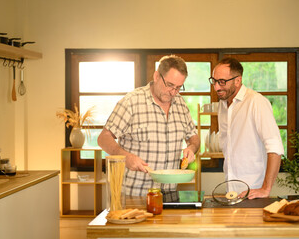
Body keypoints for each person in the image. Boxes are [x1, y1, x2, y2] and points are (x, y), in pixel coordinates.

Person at [98, 55, 200, 196]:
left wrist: (191, 148)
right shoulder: (131, 102)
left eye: (178, 88)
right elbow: (103, 138)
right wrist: (125, 156)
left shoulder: (181, 104)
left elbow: (194, 138)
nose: (173, 92)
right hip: (134, 195)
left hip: (169, 195)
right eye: (170, 85)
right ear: (157, 76)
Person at [210, 57, 284, 199]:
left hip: (254, 194)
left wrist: (265, 189)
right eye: (214, 81)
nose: (216, 87)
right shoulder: (222, 105)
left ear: (238, 80)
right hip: (231, 192)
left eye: (222, 82)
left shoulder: (256, 102)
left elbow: (275, 147)